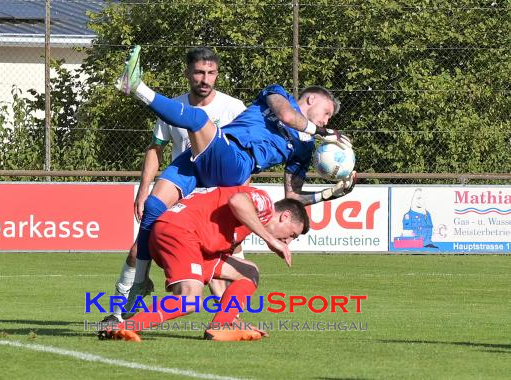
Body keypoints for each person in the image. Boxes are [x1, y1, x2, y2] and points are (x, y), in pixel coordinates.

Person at [115, 45, 356, 317]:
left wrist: (328, 194)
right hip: (205, 154)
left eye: (328, 120)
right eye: (326, 113)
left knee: (196, 118)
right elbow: (289, 117)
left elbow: (292, 196)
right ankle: (139, 284)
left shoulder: (304, 148)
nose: (326, 120)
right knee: (154, 208)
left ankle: (137, 88)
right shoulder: (277, 94)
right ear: (310, 100)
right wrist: (324, 132)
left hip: (234, 164)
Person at [110, 47, 246, 322]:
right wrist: (144, 189)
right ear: (187, 74)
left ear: (217, 75)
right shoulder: (172, 107)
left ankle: (228, 319)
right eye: (199, 72)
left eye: (211, 73)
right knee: (139, 246)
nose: (205, 79)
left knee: (226, 258)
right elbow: (156, 148)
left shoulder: (233, 108)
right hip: (180, 188)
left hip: (216, 195)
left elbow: (243, 157)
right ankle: (118, 310)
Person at [99, 185, 310, 342]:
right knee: (189, 300)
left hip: (188, 240)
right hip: (180, 232)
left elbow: (216, 282)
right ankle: (124, 327)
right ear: (285, 216)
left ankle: (219, 326)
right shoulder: (264, 204)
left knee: (249, 271)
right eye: (292, 234)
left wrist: (231, 318)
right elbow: (237, 201)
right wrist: (271, 240)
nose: (288, 241)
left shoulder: (242, 227)